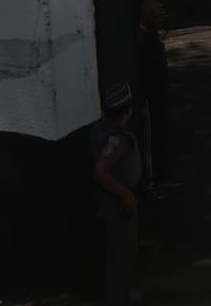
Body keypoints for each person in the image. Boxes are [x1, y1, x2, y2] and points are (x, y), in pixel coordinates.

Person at [90, 82, 142, 306]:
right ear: (128, 111)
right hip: (117, 205)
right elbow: (100, 173)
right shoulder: (116, 139)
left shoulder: (97, 130)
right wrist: (124, 194)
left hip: (109, 203)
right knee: (121, 257)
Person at [137, 0, 170, 187]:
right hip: (150, 99)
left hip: (161, 96)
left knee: (162, 137)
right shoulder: (142, 41)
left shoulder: (153, 37)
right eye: (157, 16)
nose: (161, 20)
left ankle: (163, 177)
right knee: (152, 140)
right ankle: (152, 183)